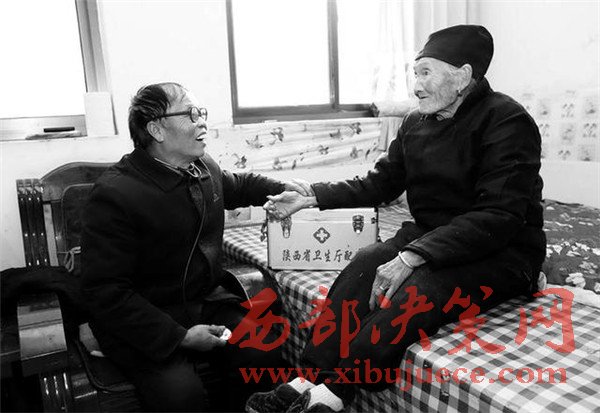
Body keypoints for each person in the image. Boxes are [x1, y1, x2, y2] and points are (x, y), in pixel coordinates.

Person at [247, 25, 546, 413]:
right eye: (414, 73)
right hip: (431, 235)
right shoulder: (414, 124)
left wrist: (412, 256)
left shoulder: (507, 121)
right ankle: (309, 376)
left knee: (418, 288)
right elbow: (380, 183)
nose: (415, 86)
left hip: (502, 250)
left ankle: (335, 392)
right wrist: (312, 196)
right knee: (366, 262)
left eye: (425, 73)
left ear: (462, 77)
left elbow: (499, 215)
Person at [81, 82, 307, 412]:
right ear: (156, 129)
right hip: (145, 319)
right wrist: (180, 336)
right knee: (182, 396)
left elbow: (238, 185)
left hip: (204, 302)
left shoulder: (202, 167)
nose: (202, 121)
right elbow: (105, 291)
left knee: (262, 353)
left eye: (201, 112)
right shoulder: (115, 194)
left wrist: (286, 189)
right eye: (190, 114)